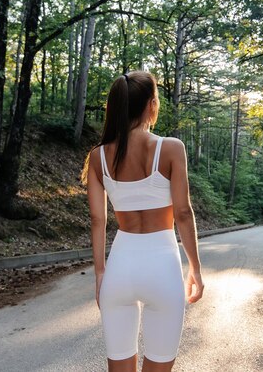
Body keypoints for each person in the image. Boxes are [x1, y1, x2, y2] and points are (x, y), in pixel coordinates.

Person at [84, 71, 204, 372]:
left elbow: (98, 220)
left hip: (120, 268)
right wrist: (196, 270)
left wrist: (100, 275)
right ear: (152, 104)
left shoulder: (98, 157)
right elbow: (183, 213)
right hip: (162, 268)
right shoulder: (171, 148)